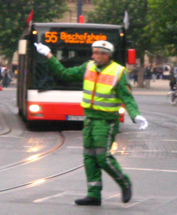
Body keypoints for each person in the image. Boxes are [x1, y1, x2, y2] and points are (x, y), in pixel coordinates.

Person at [34, 41, 148, 206]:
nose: (93, 56)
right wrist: (49, 55)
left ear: (106, 54)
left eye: (96, 53)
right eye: (93, 52)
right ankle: (93, 194)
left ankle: (124, 182)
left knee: (103, 158)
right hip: (89, 120)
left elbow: (127, 97)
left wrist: (135, 115)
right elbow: (64, 73)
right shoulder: (88, 67)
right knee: (89, 157)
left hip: (106, 121)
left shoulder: (118, 72)